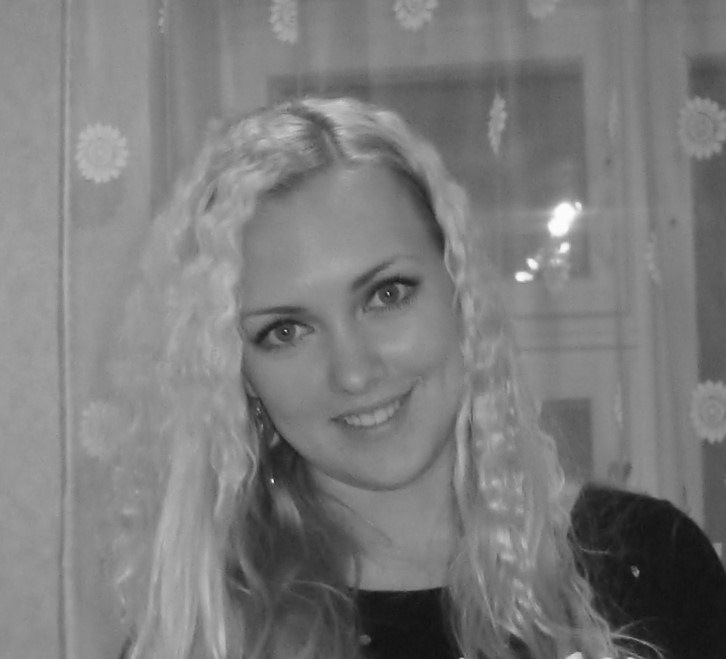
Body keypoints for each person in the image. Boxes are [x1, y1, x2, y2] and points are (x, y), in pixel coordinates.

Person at [110, 97, 726, 659]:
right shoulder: (202, 640)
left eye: (387, 294)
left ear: (461, 290)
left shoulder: (653, 566)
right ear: (238, 374)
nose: (354, 372)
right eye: (286, 331)